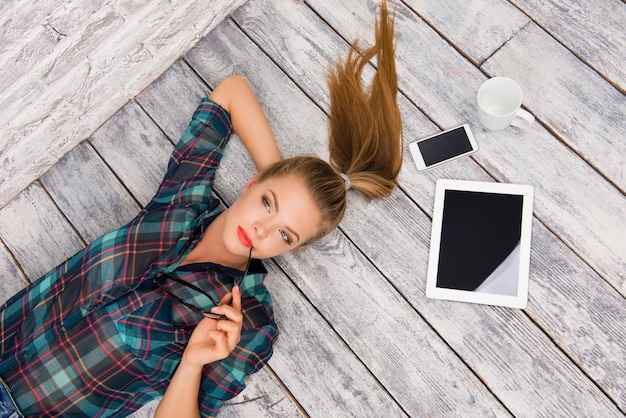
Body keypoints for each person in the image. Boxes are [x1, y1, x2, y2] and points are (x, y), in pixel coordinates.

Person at [0, 1, 402, 416]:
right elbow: (232, 92)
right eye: (267, 203)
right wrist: (281, 177)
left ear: (292, 249)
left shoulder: (252, 324)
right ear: (251, 183)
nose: (262, 230)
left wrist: (193, 362)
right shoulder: (183, 203)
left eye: (285, 234)